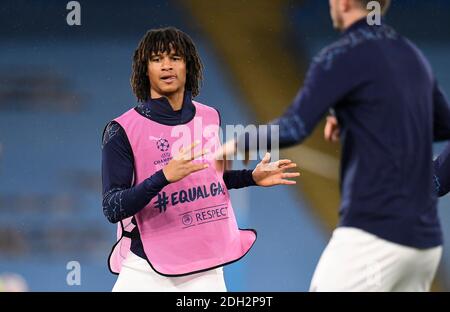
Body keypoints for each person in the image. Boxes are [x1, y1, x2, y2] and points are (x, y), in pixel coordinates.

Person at [219, 0, 450, 291]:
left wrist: (236, 145)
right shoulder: (411, 56)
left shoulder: (341, 55)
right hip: (423, 246)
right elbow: (441, 125)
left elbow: (294, 127)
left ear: (343, 3)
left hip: (372, 236)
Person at [101, 27, 300, 292]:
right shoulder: (122, 129)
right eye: (157, 59)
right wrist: (163, 177)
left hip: (205, 268)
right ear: (144, 69)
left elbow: (207, 178)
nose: (167, 66)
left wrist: (251, 177)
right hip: (147, 268)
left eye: (175, 58)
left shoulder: (209, 117)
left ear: (189, 65)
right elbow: (113, 207)